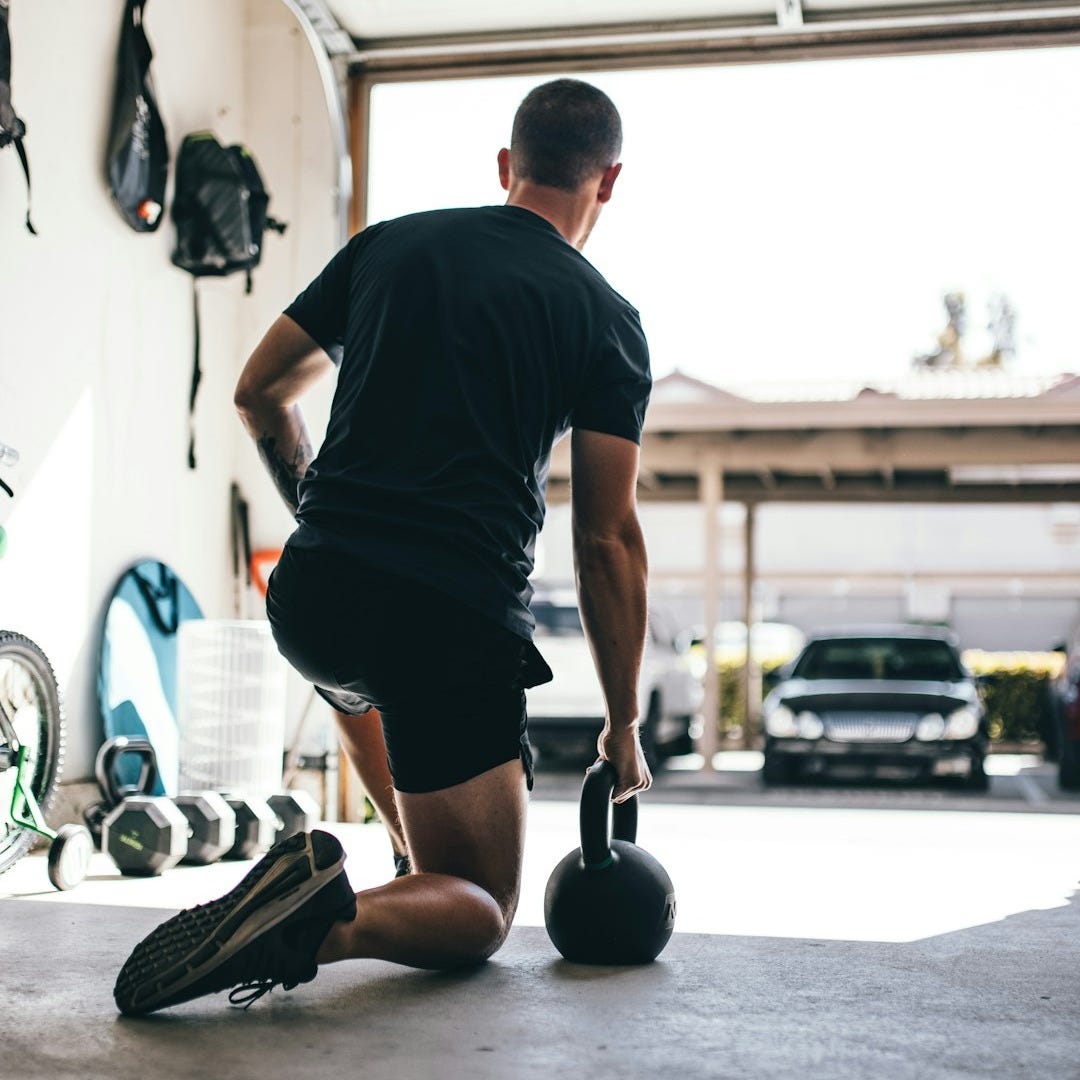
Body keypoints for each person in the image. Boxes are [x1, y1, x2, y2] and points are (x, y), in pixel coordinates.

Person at [113, 77, 653, 1017]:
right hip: (446, 619)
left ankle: (408, 864)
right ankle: (330, 920)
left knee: (363, 674)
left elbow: (258, 393)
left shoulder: (389, 246)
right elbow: (605, 540)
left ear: (505, 167)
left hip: (315, 595)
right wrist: (622, 725)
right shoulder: (604, 318)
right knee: (484, 910)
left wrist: (318, 507)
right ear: (608, 183)